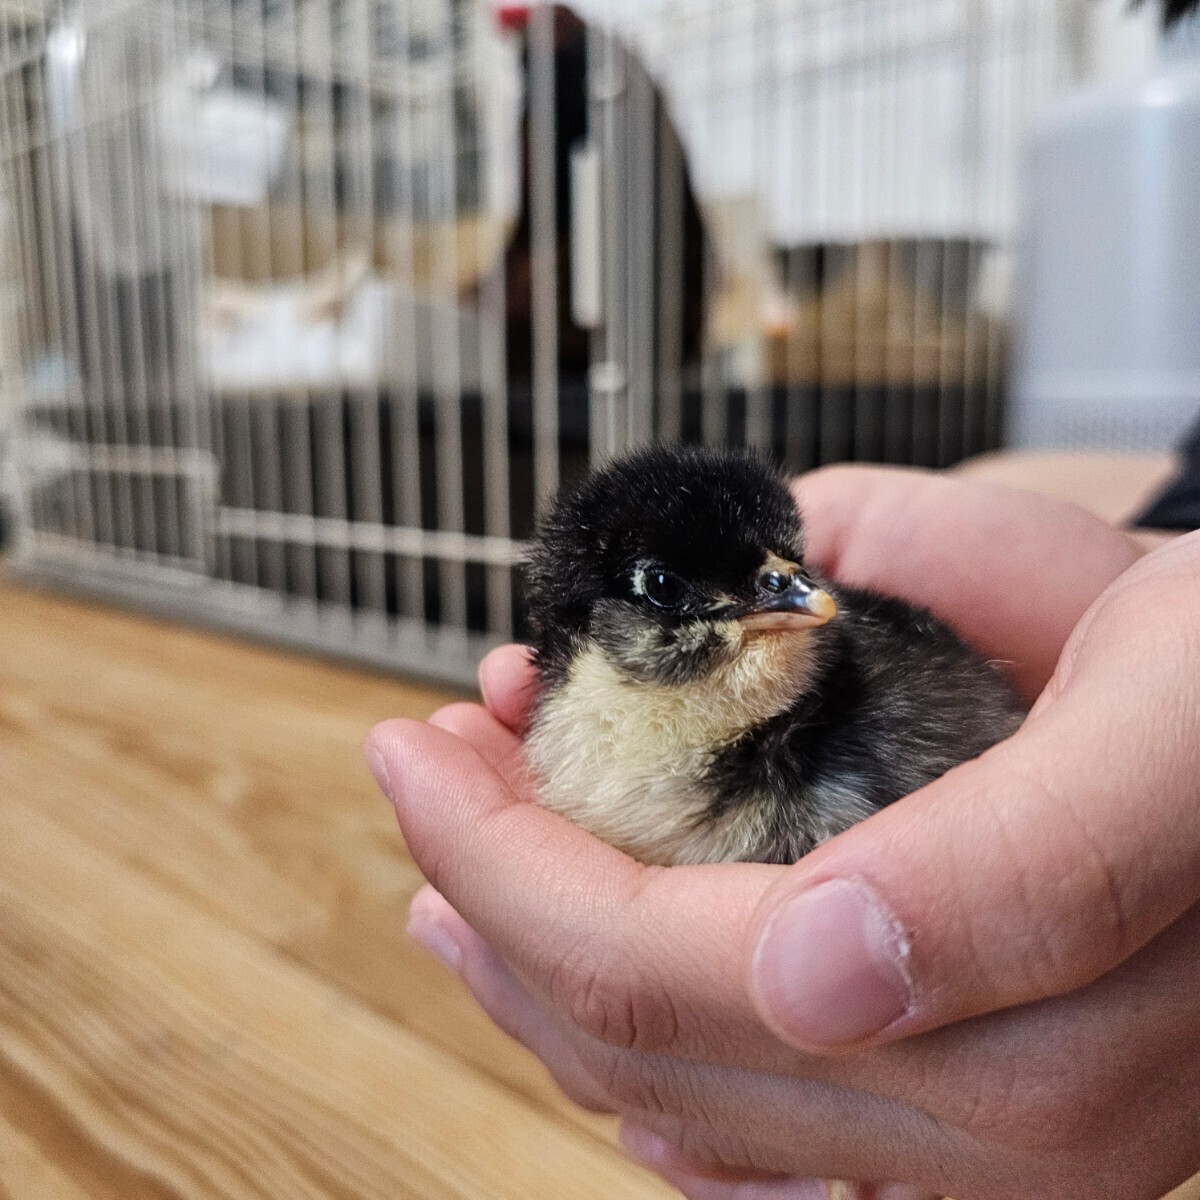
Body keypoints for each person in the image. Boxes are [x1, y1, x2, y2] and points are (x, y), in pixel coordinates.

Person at [365, 465, 1200, 1200]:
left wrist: (1146, 573)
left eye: (781, 561)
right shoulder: (581, 755)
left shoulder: (881, 723)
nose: (794, 591)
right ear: (584, 625)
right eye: (666, 587)